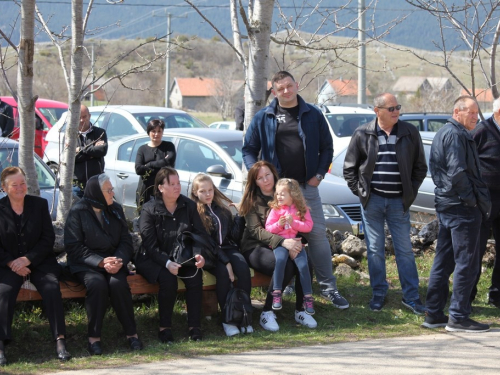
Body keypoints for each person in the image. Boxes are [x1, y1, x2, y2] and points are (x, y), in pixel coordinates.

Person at [242, 70, 349, 310]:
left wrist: (318, 176)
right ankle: (287, 283)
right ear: (274, 92)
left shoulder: (313, 114)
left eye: (289, 86)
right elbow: (248, 149)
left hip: (305, 188)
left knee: (317, 235)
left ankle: (329, 288)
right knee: (281, 234)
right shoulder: (264, 117)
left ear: (297, 85)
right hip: (276, 191)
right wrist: (258, 174)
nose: (286, 91)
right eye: (280, 89)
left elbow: (327, 148)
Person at [343, 92, 427, 314]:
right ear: (377, 111)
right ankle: (378, 293)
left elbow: (420, 167)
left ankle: (411, 297)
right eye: (391, 108)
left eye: (398, 107)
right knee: (374, 250)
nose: (396, 111)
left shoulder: (410, 132)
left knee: (405, 250)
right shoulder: (362, 133)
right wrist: (362, 193)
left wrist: (410, 192)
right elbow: (349, 168)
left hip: (399, 201)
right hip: (373, 201)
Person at [424, 95, 491, 332]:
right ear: (456, 112)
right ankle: (458, 316)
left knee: (444, 260)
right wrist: (471, 201)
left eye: (477, 112)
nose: (475, 117)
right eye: (470, 112)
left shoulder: (450, 132)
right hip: (460, 208)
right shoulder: (454, 134)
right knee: (467, 262)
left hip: (450, 206)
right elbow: (457, 173)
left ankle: (434, 314)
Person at [64, 174, 143, 355]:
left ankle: (132, 334)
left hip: (113, 261)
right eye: (108, 190)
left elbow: (125, 240)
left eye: (111, 189)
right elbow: (73, 246)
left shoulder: (114, 209)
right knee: (97, 284)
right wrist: (100, 262)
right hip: (86, 264)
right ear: (97, 192)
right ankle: (94, 338)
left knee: (118, 284)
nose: (112, 193)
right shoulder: (78, 211)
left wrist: (117, 260)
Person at [0, 167, 70, 366]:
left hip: (38, 262)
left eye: (23, 183)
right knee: (3, 292)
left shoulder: (39, 204)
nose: (21, 187)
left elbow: (47, 238)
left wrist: (28, 259)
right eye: (15, 185)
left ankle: (60, 340)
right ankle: (1, 344)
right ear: (4, 188)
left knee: (51, 287)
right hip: (8, 265)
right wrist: (12, 263)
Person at [240, 161, 317, 331]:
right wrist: (283, 243)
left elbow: (302, 222)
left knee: (306, 264)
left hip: (285, 244)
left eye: (267, 175)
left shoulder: (287, 194)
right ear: (255, 182)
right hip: (256, 247)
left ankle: (301, 309)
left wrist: (297, 243)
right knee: (284, 266)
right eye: (260, 178)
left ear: (274, 174)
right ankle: (267, 312)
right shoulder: (252, 200)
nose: (266, 180)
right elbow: (255, 231)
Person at [136, 167, 206, 342]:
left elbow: (199, 234)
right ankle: (164, 328)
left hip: (182, 256)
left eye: (178, 183)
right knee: (168, 280)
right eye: (172, 184)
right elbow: (150, 245)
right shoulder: (149, 210)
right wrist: (167, 263)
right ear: (161, 187)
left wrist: (198, 255)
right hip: (154, 258)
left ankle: (194, 327)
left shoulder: (188, 205)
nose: (177, 187)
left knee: (195, 277)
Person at [190, 173, 252, 336]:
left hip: (227, 249)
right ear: (195, 193)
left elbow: (233, 237)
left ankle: (245, 315)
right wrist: (226, 263)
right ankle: (228, 319)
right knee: (224, 274)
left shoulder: (222, 210)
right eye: (203, 191)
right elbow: (207, 243)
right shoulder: (195, 213)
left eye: (210, 190)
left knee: (244, 270)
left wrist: (240, 216)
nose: (208, 194)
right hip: (210, 254)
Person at [265, 178, 314, 315]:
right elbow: (268, 229)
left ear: (292, 195)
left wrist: (294, 223)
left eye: (282, 194)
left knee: (303, 265)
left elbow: (309, 226)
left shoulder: (301, 209)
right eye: (277, 193)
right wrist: (279, 225)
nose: (278, 196)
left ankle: (307, 297)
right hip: (281, 243)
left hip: (296, 243)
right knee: (280, 261)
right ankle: (277, 292)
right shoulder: (275, 210)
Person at [470, 98, 500, 307]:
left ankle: (496, 294)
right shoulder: (481, 131)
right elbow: (468, 163)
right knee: (476, 248)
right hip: (484, 200)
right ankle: (467, 297)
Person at [135, 119, 176, 209]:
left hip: (164, 190)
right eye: (153, 131)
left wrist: (148, 165)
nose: (156, 134)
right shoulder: (142, 149)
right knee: (145, 217)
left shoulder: (168, 146)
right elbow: (138, 169)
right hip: (145, 189)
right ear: (148, 132)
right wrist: (161, 165)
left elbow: (169, 162)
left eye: (159, 131)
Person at [73, 105, 107, 194]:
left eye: (84, 117)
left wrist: (80, 149)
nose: (81, 120)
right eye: (79, 118)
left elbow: (102, 151)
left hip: (96, 182)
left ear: (89, 116)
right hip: (77, 184)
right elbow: (71, 157)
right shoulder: (71, 136)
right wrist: (92, 153)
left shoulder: (100, 133)